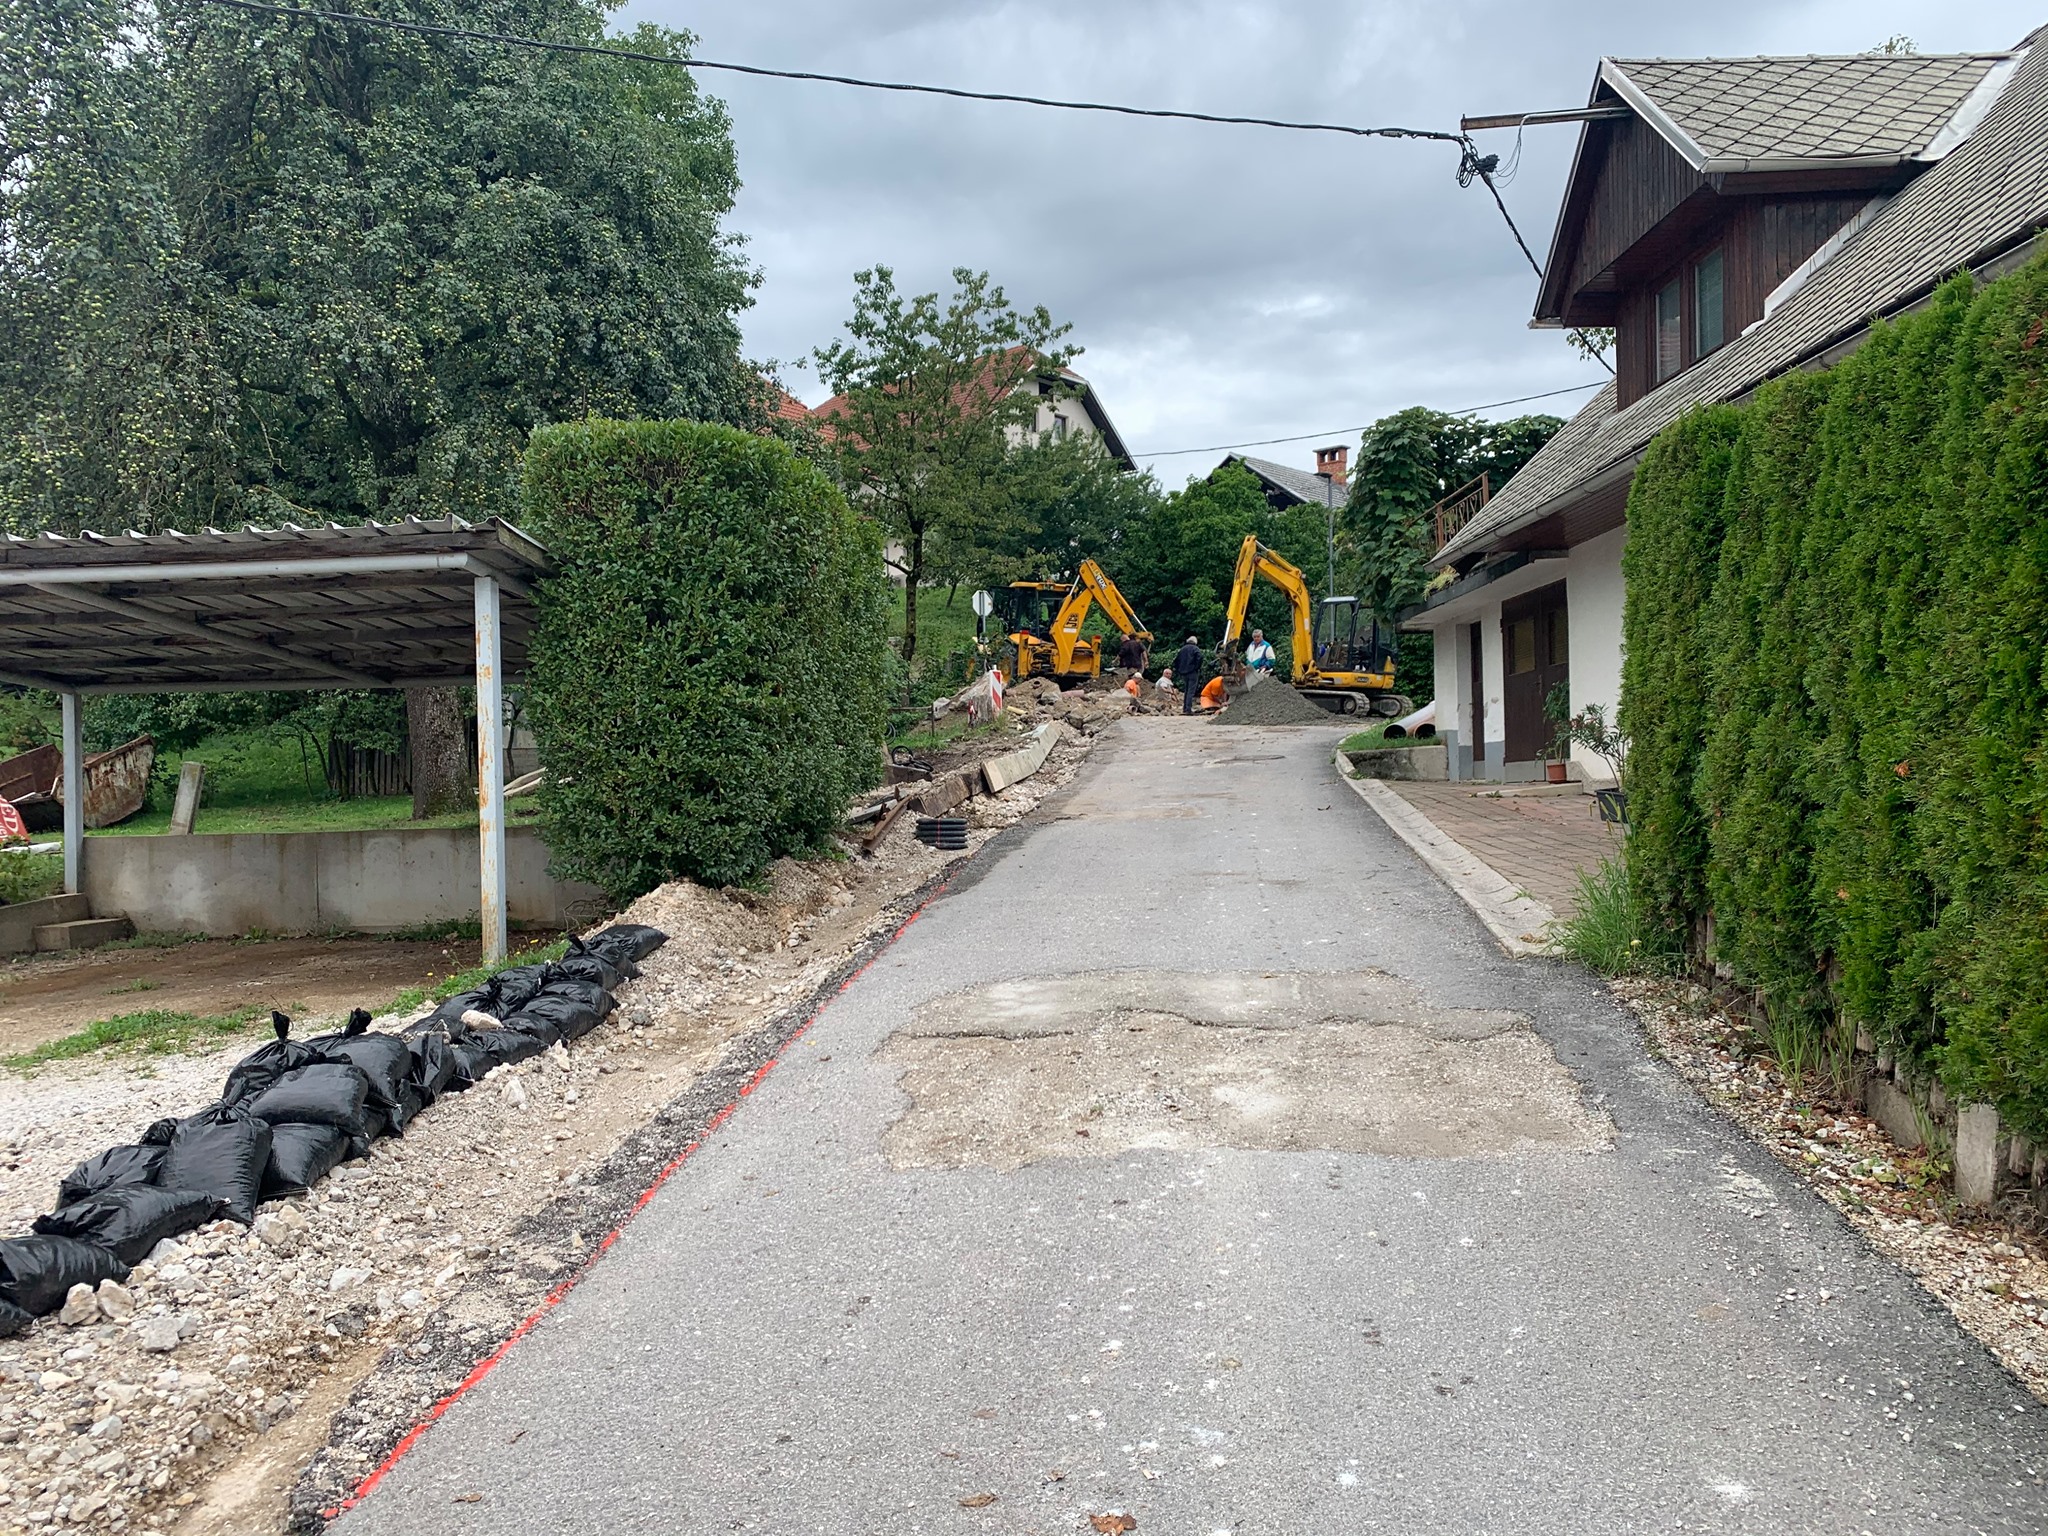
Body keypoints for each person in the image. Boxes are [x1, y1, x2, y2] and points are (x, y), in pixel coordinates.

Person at [1172, 635, 1204, 715]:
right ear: (1195, 642)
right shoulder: (1195, 649)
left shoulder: (1182, 649)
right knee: (1191, 691)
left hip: (1184, 673)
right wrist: (1196, 667)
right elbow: (1200, 657)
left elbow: (1176, 661)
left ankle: (1185, 708)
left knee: (1186, 691)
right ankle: (1188, 709)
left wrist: (1179, 670)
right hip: (1192, 672)